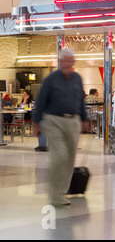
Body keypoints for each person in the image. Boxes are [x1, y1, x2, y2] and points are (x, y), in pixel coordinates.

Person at [33, 48, 89, 206]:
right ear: (60, 62)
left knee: (70, 159)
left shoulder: (77, 78)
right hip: (53, 121)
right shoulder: (51, 79)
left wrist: (84, 119)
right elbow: (41, 101)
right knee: (60, 157)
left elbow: (80, 101)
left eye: (70, 61)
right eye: (64, 61)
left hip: (73, 122)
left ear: (73, 63)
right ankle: (55, 195)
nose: (67, 64)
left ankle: (62, 193)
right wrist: (36, 122)